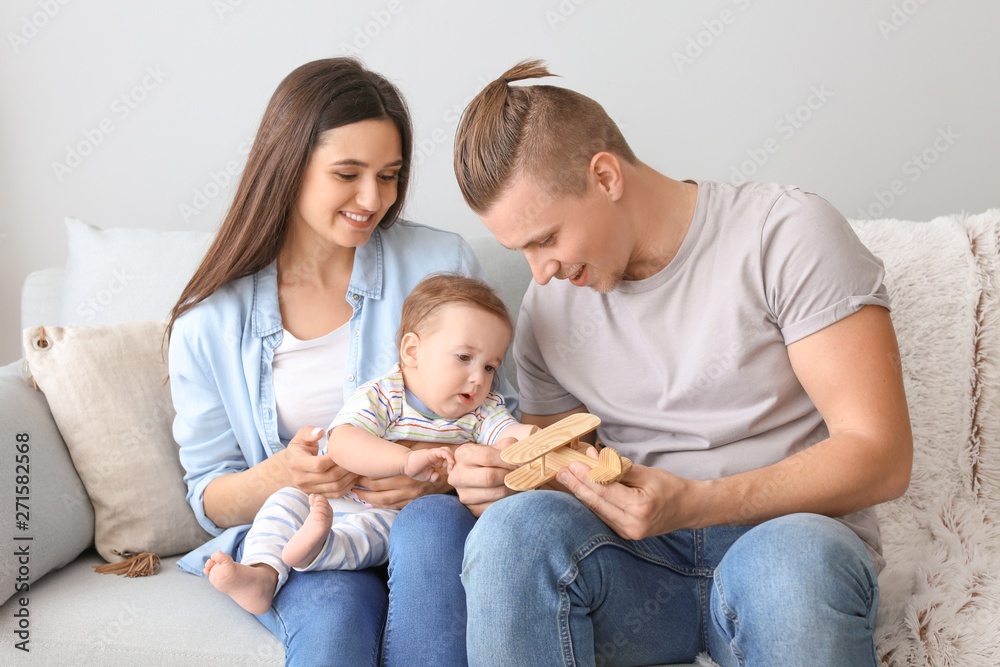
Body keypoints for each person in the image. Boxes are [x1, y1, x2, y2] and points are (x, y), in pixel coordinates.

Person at [449, 60, 913, 666]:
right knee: (512, 536)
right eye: (522, 251)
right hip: (636, 567)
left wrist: (699, 501)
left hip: (787, 545)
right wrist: (503, 483)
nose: (539, 273)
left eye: (545, 239)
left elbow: (882, 455)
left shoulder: (787, 234)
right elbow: (556, 468)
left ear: (606, 176)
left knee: (790, 564)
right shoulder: (549, 306)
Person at [167, 58, 510, 666]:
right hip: (313, 532)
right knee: (336, 622)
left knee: (431, 534)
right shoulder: (209, 322)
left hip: (426, 523)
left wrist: (439, 472)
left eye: (390, 175)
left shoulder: (441, 264)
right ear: (289, 168)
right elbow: (208, 495)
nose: (373, 199)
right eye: (347, 174)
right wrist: (286, 475)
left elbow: (491, 411)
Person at [204, 274, 535, 616]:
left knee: (375, 533)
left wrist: (534, 441)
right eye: (464, 357)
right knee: (283, 502)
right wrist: (406, 461)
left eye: (490, 366)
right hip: (336, 498)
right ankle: (261, 574)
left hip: (390, 515)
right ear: (412, 351)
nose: (479, 377)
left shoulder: (482, 410)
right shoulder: (385, 394)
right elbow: (343, 441)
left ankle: (318, 549)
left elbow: (510, 434)